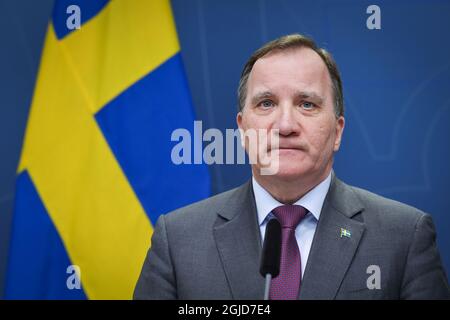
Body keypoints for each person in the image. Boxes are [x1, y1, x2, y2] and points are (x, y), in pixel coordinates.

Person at [134, 34, 450, 299]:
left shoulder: (404, 237)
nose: (285, 125)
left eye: (307, 104)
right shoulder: (177, 241)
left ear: (338, 131)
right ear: (243, 131)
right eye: (267, 103)